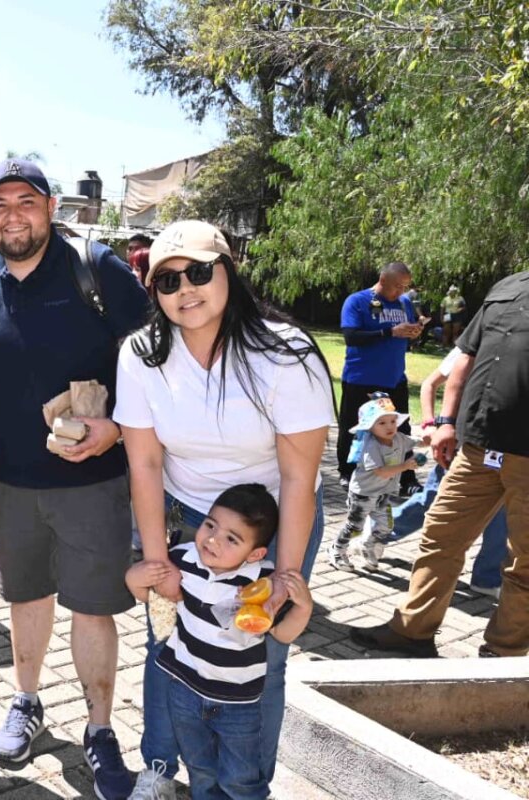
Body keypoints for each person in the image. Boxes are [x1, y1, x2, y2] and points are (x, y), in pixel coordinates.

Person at [114, 220, 334, 799]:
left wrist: (283, 576)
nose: (185, 289)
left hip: (273, 523)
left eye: (198, 272)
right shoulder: (140, 354)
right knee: (169, 644)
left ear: (228, 272)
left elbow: (298, 477)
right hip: (188, 518)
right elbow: (145, 464)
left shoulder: (285, 352)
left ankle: (245, 789)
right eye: (167, 280)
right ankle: (159, 770)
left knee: (263, 655)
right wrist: (159, 565)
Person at [0, 159, 149, 800]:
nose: (14, 216)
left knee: (92, 607)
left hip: (93, 482)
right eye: (0, 205)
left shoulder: (96, 268)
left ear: (50, 207)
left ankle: (99, 729)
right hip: (10, 482)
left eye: (27, 202)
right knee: (26, 597)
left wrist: (116, 429)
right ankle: (26, 701)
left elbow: (157, 362)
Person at [351, 269, 528, 659]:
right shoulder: (508, 285)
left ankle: (503, 654)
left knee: (524, 562)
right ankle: (412, 631)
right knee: (440, 535)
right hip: (478, 445)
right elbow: (467, 356)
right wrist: (445, 421)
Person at [126, 484, 312, 800]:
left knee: (241, 778)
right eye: (210, 525)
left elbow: (282, 635)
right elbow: (152, 599)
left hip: (238, 703)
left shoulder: (262, 584)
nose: (213, 540)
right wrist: (135, 578)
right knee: (200, 769)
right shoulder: (182, 559)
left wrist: (303, 608)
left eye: (231, 539)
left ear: (255, 554)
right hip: (185, 692)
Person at [390, 347, 507, 596]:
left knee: (502, 510)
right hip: (465, 444)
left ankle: (487, 579)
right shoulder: (477, 343)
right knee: (432, 501)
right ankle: (379, 531)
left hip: (504, 446)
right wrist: (431, 424)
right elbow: (429, 384)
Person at [335, 262, 424, 494]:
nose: (401, 292)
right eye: (397, 286)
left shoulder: (404, 303)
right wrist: (389, 332)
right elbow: (351, 336)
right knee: (353, 428)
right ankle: (347, 472)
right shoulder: (357, 301)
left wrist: (414, 333)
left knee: (401, 430)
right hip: (361, 378)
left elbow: (404, 335)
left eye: (405, 287)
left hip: (394, 379)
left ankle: (407, 479)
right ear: (383, 280)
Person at [325, 398, 419, 571]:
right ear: (369, 427)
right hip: (363, 494)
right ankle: (336, 550)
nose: (389, 426)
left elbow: (417, 441)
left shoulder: (399, 438)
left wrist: (431, 438)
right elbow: (381, 471)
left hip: (384, 493)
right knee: (355, 526)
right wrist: (405, 466)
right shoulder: (371, 445)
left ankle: (367, 545)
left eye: (392, 421)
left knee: (385, 527)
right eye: (381, 423)